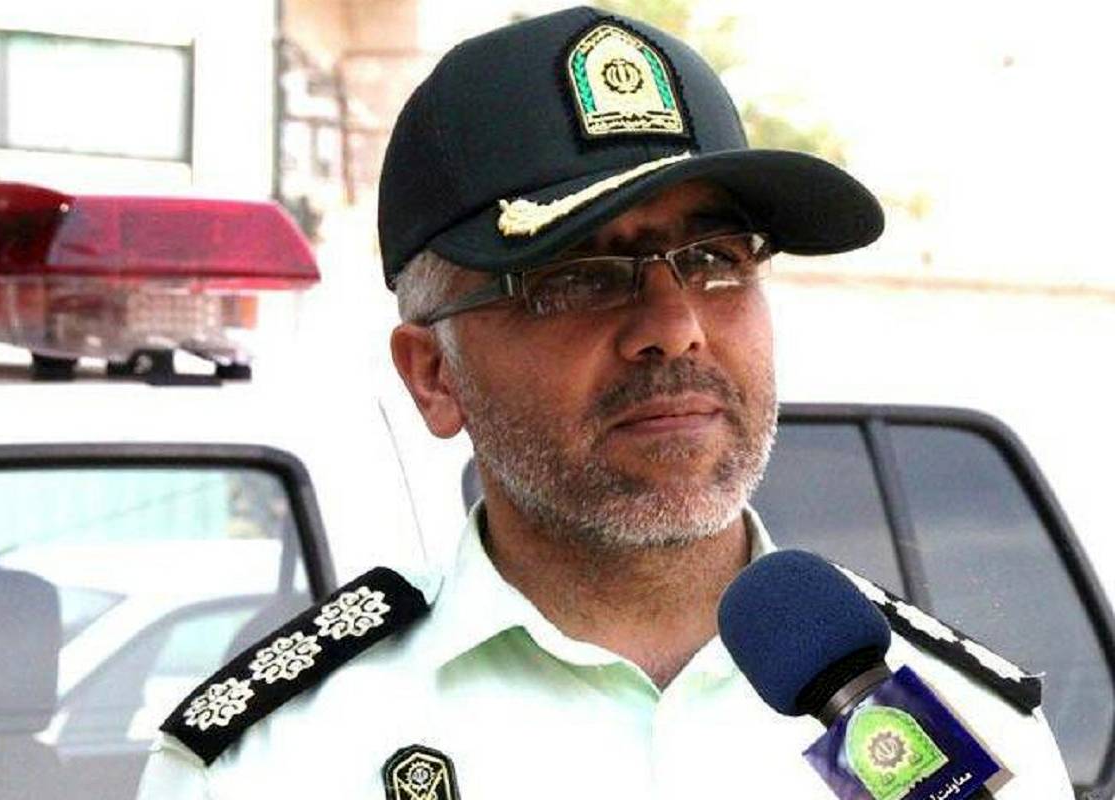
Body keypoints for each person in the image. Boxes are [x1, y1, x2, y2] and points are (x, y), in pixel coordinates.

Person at [137, 7, 1074, 798]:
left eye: (715, 260)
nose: (675, 327)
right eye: (577, 277)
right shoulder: (269, 763)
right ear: (433, 375)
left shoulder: (975, 739)